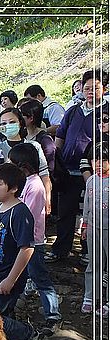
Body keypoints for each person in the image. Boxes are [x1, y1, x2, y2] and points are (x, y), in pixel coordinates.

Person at [0, 162, 45, 340]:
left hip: (4, 277)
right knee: (0, 312)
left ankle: (29, 336)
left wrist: (10, 279)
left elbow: (27, 248)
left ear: (14, 188)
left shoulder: (19, 213)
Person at [46, 69, 109, 262]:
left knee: (93, 213)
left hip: (94, 172)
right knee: (66, 212)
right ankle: (60, 249)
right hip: (68, 171)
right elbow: (61, 135)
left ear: (104, 89)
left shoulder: (106, 113)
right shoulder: (74, 110)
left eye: (95, 88)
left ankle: (89, 251)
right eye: (87, 88)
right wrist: (56, 158)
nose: (90, 92)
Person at [8, 143, 63, 333]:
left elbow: (26, 214)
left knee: (40, 278)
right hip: (21, 240)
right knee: (21, 276)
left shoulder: (35, 186)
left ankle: (53, 315)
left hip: (32, 241)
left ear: (22, 165)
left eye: (12, 162)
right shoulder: (24, 183)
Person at [0, 108, 52, 216]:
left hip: (30, 197)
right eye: (3, 123)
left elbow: (44, 175)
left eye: (12, 122)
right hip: (3, 202)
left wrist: (47, 199)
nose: (8, 125)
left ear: (20, 123)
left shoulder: (33, 146)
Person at [81, 141, 109, 316]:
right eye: (95, 159)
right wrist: (84, 226)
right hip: (93, 228)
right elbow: (87, 205)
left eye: (103, 160)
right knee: (94, 263)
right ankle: (90, 296)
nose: (98, 164)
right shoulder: (91, 180)